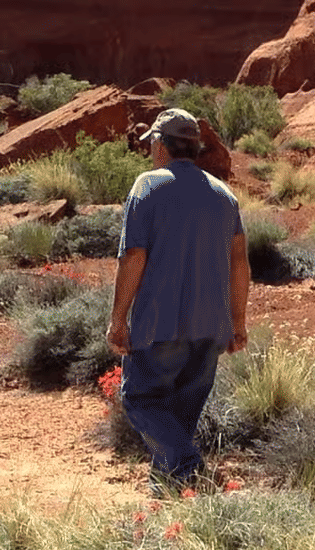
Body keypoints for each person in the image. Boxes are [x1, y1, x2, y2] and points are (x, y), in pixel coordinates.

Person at [107, 107, 250, 492]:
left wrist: (118, 319)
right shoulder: (224, 195)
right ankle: (167, 493)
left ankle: (190, 468)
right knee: (181, 416)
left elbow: (133, 256)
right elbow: (239, 263)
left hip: (160, 322)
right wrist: (238, 322)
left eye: (151, 143)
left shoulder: (147, 187)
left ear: (160, 144)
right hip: (211, 327)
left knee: (140, 400)